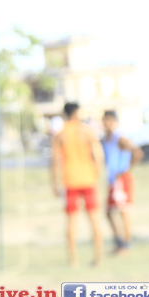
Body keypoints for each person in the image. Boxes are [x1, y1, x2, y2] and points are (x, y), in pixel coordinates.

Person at [51, 102, 104, 266]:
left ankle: (73, 260)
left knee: (71, 221)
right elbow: (99, 155)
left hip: (70, 181)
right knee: (94, 219)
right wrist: (96, 173)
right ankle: (98, 258)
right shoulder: (87, 131)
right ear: (77, 113)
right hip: (88, 179)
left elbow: (55, 161)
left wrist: (54, 183)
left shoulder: (60, 134)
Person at [101, 109, 143, 253]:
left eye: (109, 119)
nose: (106, 123)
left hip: (122, 178)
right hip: (113, 179)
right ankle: (119, 242)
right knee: (109, 211)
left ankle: (126, 245)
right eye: (104, 119)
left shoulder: (119, 137)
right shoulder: (106, 138)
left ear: (114, 121)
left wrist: (125, 170)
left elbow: (137, 152)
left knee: (124, 212)